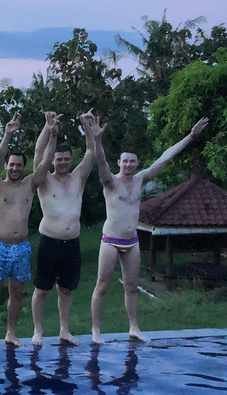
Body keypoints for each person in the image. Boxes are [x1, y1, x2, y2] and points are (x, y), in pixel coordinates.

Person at [88, 112, 209, 343]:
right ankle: (95, 330)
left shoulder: (141, 179)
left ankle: (134, 327)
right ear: (119, 163)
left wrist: (191, 136)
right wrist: (97, 139)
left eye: (132, 161)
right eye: (125, 161)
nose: (128, 165)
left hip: (131, 241)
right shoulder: (110, 182)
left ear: (137, 163)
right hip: (111, 240)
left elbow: (164, 157)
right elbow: (101, 162)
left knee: (132, 287)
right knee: (102, 285)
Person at [0, 114, 52, 349]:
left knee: (17, 293)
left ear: (23, 167)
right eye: (11, 164)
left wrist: (52, 132)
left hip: (21, 247)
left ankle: (10, 332)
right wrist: (7, 134)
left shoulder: (29, 184)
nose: (14, 168)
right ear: (6, 166)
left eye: (18, 165)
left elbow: (46, 162)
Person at [29, 112, 95, 346]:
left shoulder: (79, 177)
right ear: (53, 161)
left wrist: (87, 126)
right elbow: (38, 152)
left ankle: (64, 330)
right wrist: (49, 130)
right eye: (59, 159)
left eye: (66, 159)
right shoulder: (44, 180)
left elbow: (91, 152)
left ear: (70, 159)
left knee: (66, 289)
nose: (63, 162)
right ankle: (38, 330)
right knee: (42, 289)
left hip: (72, 243)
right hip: (49, 240)